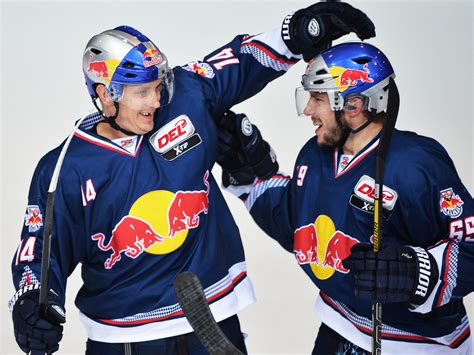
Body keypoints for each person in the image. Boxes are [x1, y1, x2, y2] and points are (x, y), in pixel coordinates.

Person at [8, 4, 376, 354]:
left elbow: (240, 60)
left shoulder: (185, 96)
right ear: (106, 94)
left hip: (211, 318)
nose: (156, 99)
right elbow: (41, 251)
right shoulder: (64, 168)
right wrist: (33, 300)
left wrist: (296, 34)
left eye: (158, 84)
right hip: (122, 337)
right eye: (141, 92)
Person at [217, 42, 473, 354]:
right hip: (337, 328)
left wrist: (418, 272)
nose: (308, 110)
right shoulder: (315, 155)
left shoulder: (416, 164)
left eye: (318, 98)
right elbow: (296, 221)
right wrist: (250, 173)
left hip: (415, 344)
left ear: (353, 104)